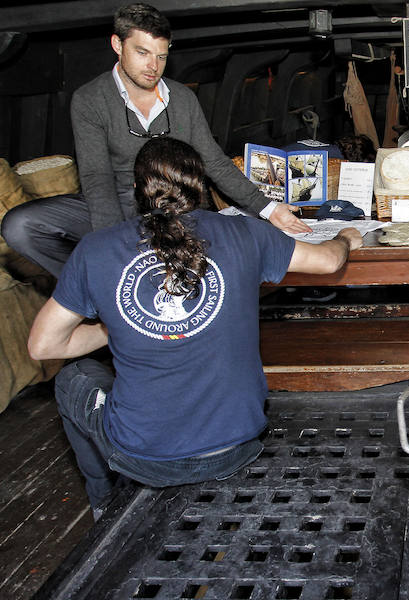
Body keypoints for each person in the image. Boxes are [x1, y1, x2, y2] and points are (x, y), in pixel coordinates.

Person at [27, 137, 362, 518]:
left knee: (73, 378)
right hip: (237, 445)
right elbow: (329, 262)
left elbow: (43, 347)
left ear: (137, 190)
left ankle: (105, 503)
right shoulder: (246, 234)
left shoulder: (95, 249)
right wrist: (346, 237)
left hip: (147, 456)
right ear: (201, 187)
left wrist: (114, 328)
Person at [1, 3, 310, 278]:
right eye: (142, 52)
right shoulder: (90, 99)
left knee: (238, 241)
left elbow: (213, 161)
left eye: (161, 56)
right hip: (119, 200)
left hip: (175, 201)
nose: (153, 66)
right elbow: (97, 178)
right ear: (117, 45)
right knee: (21, 226)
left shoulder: (182, 99)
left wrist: (269, 209)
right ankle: (92, 285)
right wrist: (114, 249)